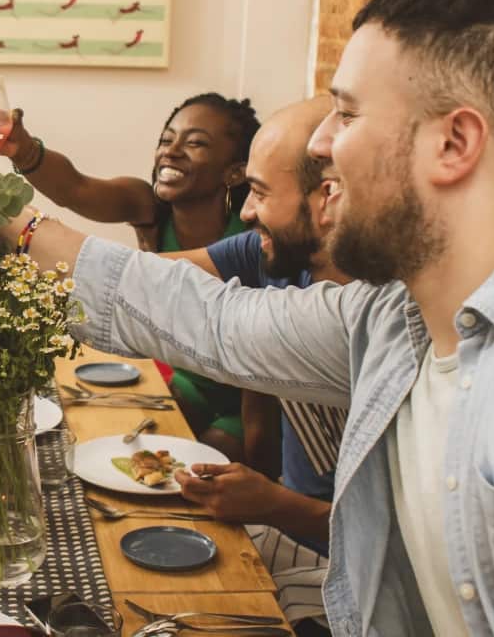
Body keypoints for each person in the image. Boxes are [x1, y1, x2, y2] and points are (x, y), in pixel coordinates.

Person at [0, 0, 494, 635]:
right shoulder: (394, 320)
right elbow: (205, 317)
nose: (321, 143)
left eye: (348, 112)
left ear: (454, 143)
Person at [0, 94, 261, 460]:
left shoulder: (252, 234)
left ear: (235, 171)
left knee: (197, 461)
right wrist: (23, 151)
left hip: (246, 398)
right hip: (185, 381)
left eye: (195, 143)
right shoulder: (146, 206)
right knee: (101, 442)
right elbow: (75, 189)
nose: (172, 151)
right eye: (167, 139)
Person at [163, 96, 348, 632]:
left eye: (260, 193)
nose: (244, 211)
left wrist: (277, 504)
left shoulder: (395, 317)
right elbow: (147, 282)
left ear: (328, 195)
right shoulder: (273, 254)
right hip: (284, 532)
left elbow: (402, 538)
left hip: (338, 566)